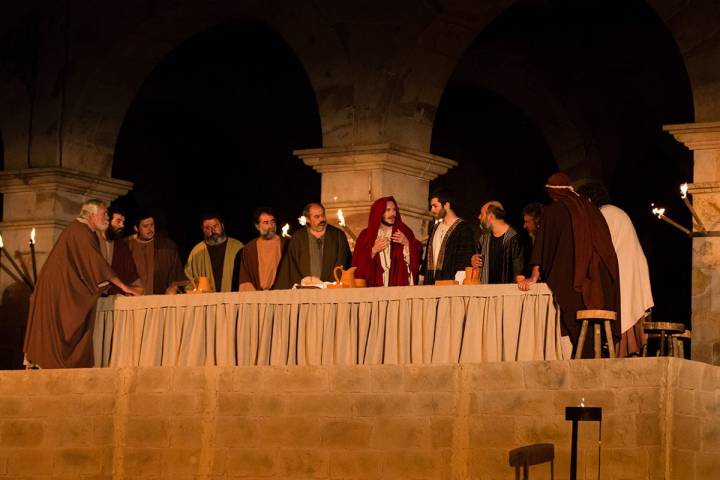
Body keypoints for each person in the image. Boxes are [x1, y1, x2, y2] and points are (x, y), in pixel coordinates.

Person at [23, 199, 139, 369]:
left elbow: (88, 265)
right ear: (92, 215)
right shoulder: (81, 231)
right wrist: (124, 286)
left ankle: (48, 361)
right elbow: (96, 263)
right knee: (59, 324)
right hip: (59, 287)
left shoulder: (85, 230)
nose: (107, 218)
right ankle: (47, 361)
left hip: (64, 285)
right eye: (104, 214)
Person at [518, 173, 620, 358]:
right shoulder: (592, 209)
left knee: (574, 312)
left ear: (552, 191)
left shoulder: (553, 211)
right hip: (600, 278)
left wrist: (535, 274)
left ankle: (586, 358)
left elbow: (543, 244)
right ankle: (594, 355)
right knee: (589, 314)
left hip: (575, 279)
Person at [577, 182, 654, 356]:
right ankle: (625, 349)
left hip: (624, 266)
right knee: (627, 305)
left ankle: (621, 351)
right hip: (630, 265)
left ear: (589, 199)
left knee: (624, 306)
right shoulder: (613, 211)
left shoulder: (603, 214)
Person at [275, 202, 351, 288]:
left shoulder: (338, 236)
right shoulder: (298, 238)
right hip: (305, 291)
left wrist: (327, 284)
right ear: (307, 219)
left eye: (323, 215)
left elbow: (343, 262)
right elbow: (291, 266)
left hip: (332, 290)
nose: (322, 219)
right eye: (317, 217)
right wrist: (304, 283)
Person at [352, 196, 422, 286]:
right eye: (388, 210)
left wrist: (407, 244)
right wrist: (373, 251)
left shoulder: (404, 231)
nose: (392, 213)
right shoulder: (366, 235)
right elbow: (357, 265)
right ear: (378, 213)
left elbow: (417, 256)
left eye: (394, 210)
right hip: (374, 288)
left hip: (397, 287)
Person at [421, 189, 475, 284]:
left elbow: (465, 260)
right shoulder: (435, 228)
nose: (432, 210)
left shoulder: (463, 228)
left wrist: (456, 284)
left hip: (450, 283)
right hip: (431, 283)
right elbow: (428, 259)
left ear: (446, 205)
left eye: (435, 206)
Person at [127, 212, 187, 295]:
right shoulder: (128, 246)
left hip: (160, 297)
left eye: (152, 225)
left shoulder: (167, 245)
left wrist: (173, 287)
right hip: (134, 299)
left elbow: (175, 271)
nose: (150, 229)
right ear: (136, 228)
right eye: (145, 226)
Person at [185, 213, 243, 292]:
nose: (212, 231)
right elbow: (188, 281)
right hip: (206, 301)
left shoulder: (238, 247)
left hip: (234, 299)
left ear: (222, 226)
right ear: (203, 230)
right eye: (208, 228)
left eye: (215, 226)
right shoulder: (196, 252)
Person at [471, 201, 525, 284]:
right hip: (486, 292)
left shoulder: (514, 238)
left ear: (491, 217)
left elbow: (519, 272)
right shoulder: (484, 239)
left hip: (506, 292)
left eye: (482, 214)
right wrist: (474, 261)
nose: (479, 217)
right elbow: (478, 265)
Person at [237, 207, 287, 291]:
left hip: (282, 294)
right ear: (257, 226)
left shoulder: (286, 244)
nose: (271, 226)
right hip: (259, 296)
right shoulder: (249, 248)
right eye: (266, 223)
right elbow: (245, 278)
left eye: (272, 222)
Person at [97, 206, 142, 295]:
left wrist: (138, 288)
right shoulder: (93, 240)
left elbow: (131, 272)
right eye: (118, 221)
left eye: (123, 222)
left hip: (113, 295)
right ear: (107, 221)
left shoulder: (121, 245)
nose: (122, 225)